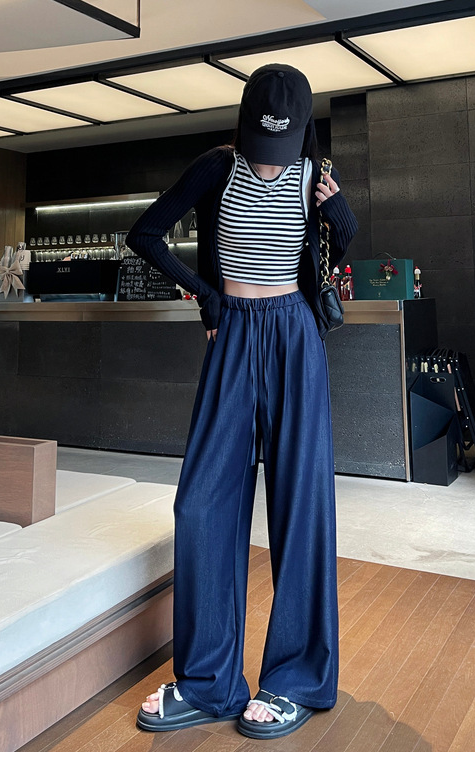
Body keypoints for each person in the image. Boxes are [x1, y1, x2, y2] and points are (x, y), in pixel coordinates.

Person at [127, 64, 358, 740]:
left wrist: (340, 217)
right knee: (201, 502)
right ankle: (208, 683)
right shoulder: (216, 168)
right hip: (232, 334)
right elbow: (145, 234)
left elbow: (331, 253)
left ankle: (296, 679)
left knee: (301, 504)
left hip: (294, 334)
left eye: (280, 150)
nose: (269, 163)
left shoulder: (314, 173)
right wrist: (204, 294)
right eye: (261, 147)